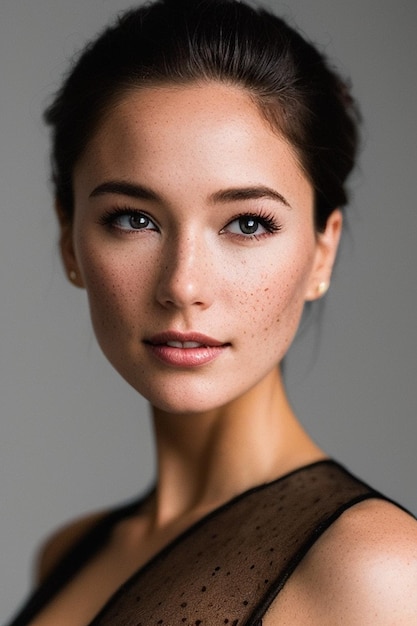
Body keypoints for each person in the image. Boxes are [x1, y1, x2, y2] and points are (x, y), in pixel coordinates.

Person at [8, 0, 417, 624]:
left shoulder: (376, 571)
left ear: (321, 251)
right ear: (70, 241)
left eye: (248, 223)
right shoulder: (68, 554)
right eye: (134, 219)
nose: (183, 284)